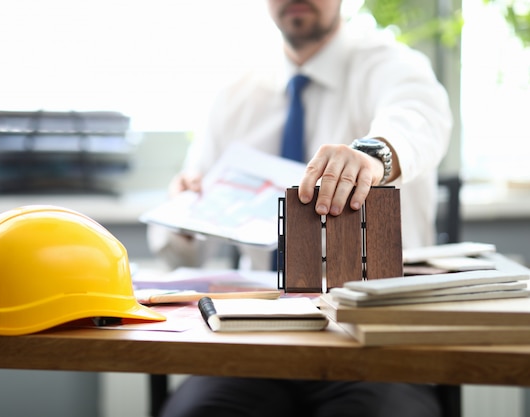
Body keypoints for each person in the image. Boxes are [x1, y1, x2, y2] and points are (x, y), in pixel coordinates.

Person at [152, 0, 452, 416]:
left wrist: (373, 156)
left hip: (372, 342)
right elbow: (179, 250)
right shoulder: (235, 96)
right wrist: (185, 216)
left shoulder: (392, 64)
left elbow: (419, 120)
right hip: (255, 342)